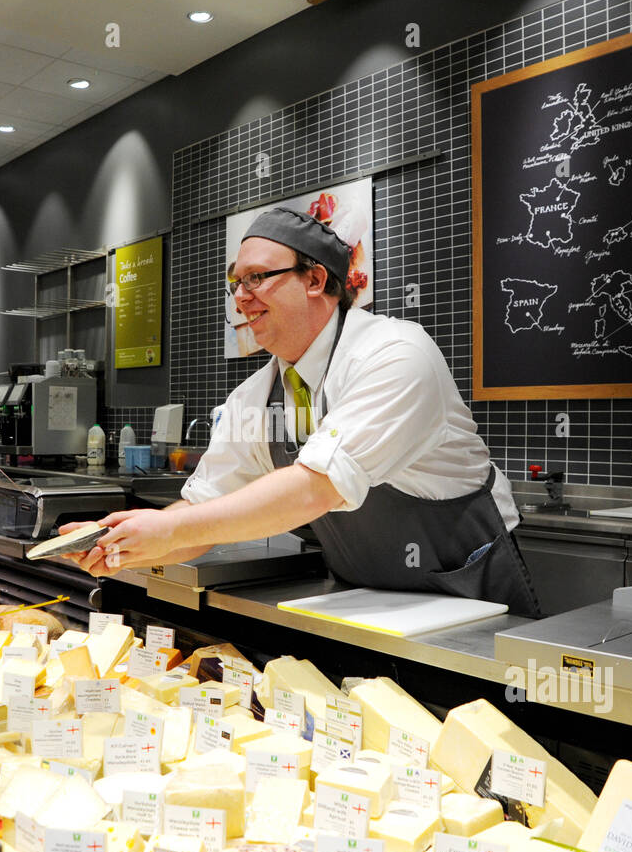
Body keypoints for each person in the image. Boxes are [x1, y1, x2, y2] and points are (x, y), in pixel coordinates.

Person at [61, 207, 541, 615]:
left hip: (475, 603)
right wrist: (118, 546)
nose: (241, 297)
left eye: (257, 278)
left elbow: (316, 487)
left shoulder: (396, 354)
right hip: (365, 604)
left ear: (315, 279)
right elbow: (201, 512)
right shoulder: (252, 397)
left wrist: (168, 528)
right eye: (236, 283)